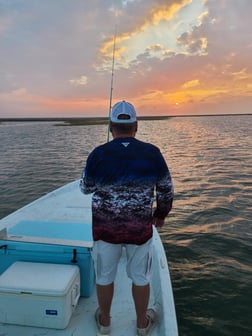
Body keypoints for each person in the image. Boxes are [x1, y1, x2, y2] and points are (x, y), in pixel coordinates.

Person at [80, 100, 173, 336]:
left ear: (111, 126)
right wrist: (160, 215)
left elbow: (85, 188)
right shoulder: (152, 153)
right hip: (139, 230)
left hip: (105, 230)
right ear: (136, 126)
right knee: (141, 277)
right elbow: (166, 189)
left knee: (104, 276)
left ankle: (105, 322)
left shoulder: (98, 154)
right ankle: (142, 324)